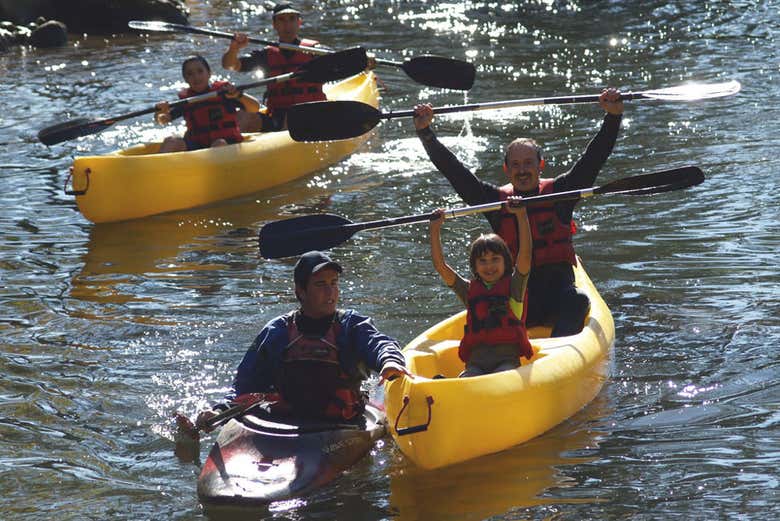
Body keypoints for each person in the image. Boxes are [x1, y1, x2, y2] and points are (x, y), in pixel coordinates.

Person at [413, 89, 624, 337]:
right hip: (519, 302)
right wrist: (425, 133)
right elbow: (456, 173)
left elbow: (594, 158)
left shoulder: (561, 193)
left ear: (540, 165)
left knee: (578, 300)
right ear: (506, 169)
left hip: (560, 298)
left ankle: (557, 351)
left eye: (528, 163)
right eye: (515, 165)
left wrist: (613, 117)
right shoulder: (494, 202)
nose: (522, 170)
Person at [193, 251, 410, 429]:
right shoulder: (278, 331)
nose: (330, 292)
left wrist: (390, 361)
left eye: (334, 283)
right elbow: (245, 386)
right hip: (287, 424)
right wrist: (218, 411)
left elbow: (380, 344)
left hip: (343, 426)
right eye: (320, 284)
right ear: (300, 291)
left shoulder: (351, 326)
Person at [429, 197, 534, 377]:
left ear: (506, 262)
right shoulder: (469, 290)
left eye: (495, 259)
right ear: (475, 266)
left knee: (499, 377)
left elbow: (525, 255)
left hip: (506, 363)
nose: (489, 266)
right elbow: (441, 267)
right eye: (482, 261)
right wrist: (435, 228)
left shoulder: (514, 287)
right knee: (469, 377)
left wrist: (521, 215)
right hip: (475, 364)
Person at [222, 2, 328, 132]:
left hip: (311, 113)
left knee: (291, 117)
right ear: (274, 25)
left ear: (299, 22)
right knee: (243, 116)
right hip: (277, 116)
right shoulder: (266, 55)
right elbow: (229, 65)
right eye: (282, 20)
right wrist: (234, 48)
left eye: (292, 19)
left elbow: (339, 65)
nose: (287, 25)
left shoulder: (316, 51)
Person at [153, 54, 260, 153]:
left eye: (200, 71)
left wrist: (238, 95)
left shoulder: (224, 94)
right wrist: (159, 112)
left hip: (227, 144)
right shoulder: (187, 101)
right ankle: (156, 171)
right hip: (197, 145)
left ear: (209, 73)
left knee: (219, 143)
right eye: (190, 74)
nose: (196, 77)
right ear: (185, 79)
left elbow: (255, 108)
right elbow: (164, 120)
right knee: (171, 141)